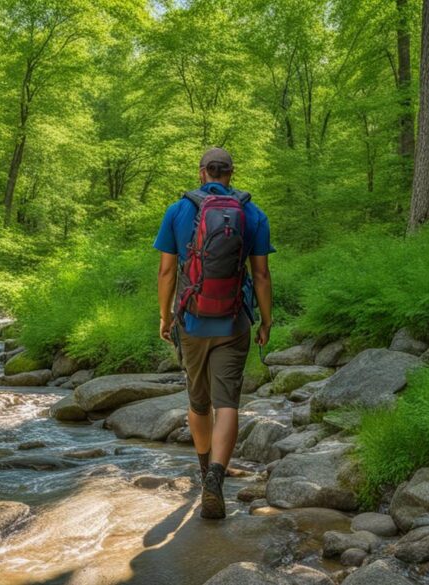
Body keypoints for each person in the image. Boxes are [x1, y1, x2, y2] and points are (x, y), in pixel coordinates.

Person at [153, 147, 275, 519]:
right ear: (231, 173)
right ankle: (217, 479)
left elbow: (167, 273)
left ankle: (205, 469)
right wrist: (266, 321)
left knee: (198, 401)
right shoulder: (252, 213)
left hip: (190, 320)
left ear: (201, 172)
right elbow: (262, 275)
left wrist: (166, 316)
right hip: (234, 320)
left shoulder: (178, 211)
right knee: (228, 403)